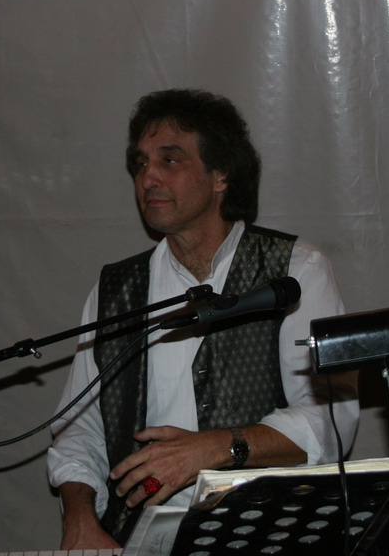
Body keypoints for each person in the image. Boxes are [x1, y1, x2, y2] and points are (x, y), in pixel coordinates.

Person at [47, 88, 359, 549]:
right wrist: (78, 517)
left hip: (265, 534)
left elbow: (329, 418)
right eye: (140, 163)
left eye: (169, 160)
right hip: (140, 537)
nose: (148, 176)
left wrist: (216, 447)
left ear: (221, 175)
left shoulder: (295, 270)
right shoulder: (115, 290)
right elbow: (80, 427)